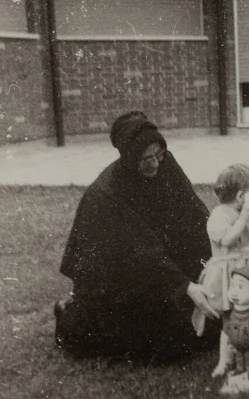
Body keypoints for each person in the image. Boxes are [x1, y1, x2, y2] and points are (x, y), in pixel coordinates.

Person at [54, 111, 221, 361]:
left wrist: (217, 259)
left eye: (159, 155)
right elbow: (140, 253)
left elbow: (195, 215)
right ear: (130, 159)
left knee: (218, 319)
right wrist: (185, 286)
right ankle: (70, 314)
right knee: (168, 341)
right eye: (145, 159)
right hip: (121, 281)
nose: (155, 164)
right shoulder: (107, 194)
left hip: (160, 270)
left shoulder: (165, 165)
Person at [191, 163, 249, 337]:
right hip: (228, 272)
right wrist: (244, 218)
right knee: (232, 309)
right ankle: (232, 341)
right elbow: (227, 240)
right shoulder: (219, 215)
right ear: (241, 197)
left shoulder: (244, 214)